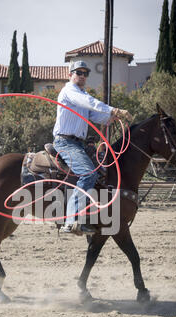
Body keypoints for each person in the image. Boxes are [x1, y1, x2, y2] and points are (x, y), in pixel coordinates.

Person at [53, 60, 132, 234]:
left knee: (103, 171)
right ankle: (71, 220)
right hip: (65, 142)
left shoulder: (81, 94)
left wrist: (110, 118)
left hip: (77, 143)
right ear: (70, 74)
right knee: (89, 173)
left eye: (85, 73)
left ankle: (92, 216)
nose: (82, 76)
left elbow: (94, 115)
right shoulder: (70, 92)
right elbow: (88, 102)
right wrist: (114, 110)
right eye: (78, 72)